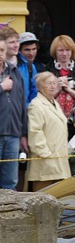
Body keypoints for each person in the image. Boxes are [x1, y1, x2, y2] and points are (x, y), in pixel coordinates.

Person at [25, 71, 71, 191]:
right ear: (40, 86)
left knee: (59, 196)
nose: (53, 86)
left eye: (55, 83)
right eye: (49, 83)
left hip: (59, 159)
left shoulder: (54, 103)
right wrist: (45, 154)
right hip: (45, 161)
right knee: (42, 195)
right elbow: (35, 132)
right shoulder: (36, 105)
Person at [0, 37, 28, 191]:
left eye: (2, 50)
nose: (0, 54)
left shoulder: (15, 72)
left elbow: (22, 105)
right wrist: (2, 87)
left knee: (10, 182)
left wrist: (23, 134)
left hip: (13, 134)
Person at [47, 35, 75, 121]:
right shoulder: (47, 69)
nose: (64, 53)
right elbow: (44, 98)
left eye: (68, 50)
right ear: (55, 51)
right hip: (53, 117)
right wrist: (58, 88)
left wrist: (68, 90)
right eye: (61, 50)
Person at [3, 28, 38, 105]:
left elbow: (34, 93)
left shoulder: (29, 66)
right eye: (12, 42)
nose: (16, 45)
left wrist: (28, 108)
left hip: (23, 110)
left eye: (17, 41)